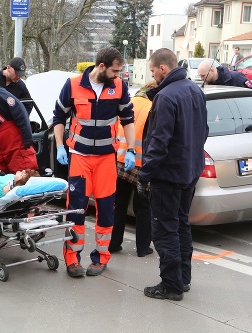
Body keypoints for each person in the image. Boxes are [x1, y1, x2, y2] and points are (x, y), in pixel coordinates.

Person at [53, 46, 136, 278]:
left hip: (106, 160)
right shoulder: (73, 85)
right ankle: (72, 260)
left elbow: (128, 119)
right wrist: (60, 145)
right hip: (79, 158)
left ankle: (101, 258)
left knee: (106, 210)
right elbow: (59, 117)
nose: (118, 75)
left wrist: (131, 150)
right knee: (75, 210)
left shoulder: (119, 87)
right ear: (101, 67)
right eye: (115, 71)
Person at [138, 48, 208, 301]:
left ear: (163, 68)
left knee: (165, 229)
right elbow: (204, 131)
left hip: (168, 175)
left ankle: (171, 285)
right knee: (181, 224)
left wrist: (144, 175)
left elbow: (159, 142)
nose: (153, 74)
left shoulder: (166, 97)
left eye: (153, 70)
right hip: (189, 171)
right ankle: (182, 279)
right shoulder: (194, 90)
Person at [110, 81, 157, 257]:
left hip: (120, 159)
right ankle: (143, 247)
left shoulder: (129, 102)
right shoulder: (154, 106)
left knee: (119, 204)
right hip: (142, 163)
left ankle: (114, 243)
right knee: (143, 206)